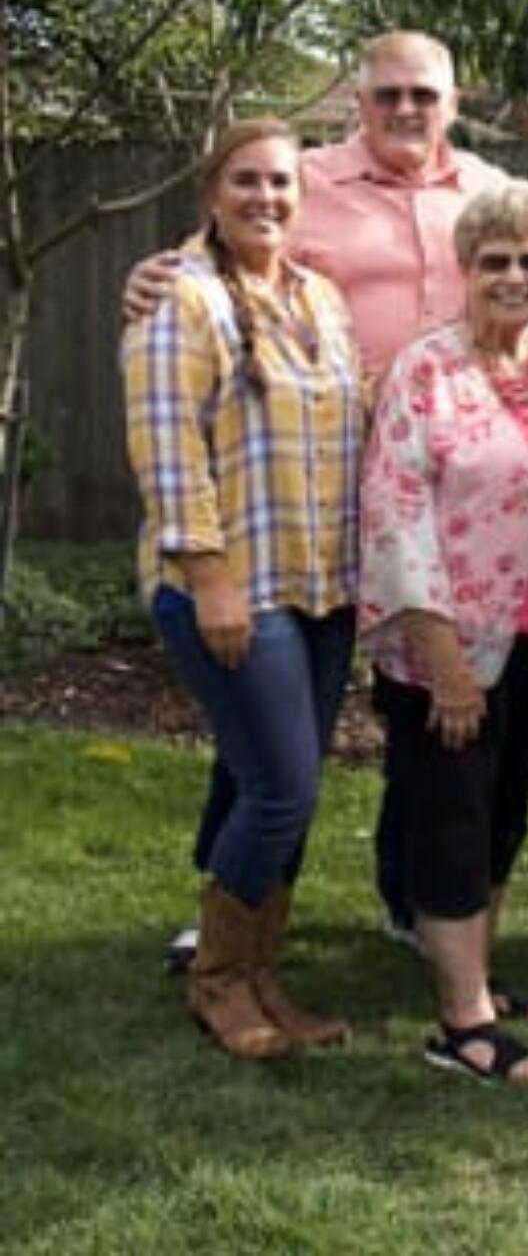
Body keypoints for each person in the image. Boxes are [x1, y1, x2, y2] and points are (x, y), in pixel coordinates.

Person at [123, 31, 504, 951]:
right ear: (357, 104)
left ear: (453, 102)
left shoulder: (488, 192)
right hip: (286, 492)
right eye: (388, 95)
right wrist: (154, 276)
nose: (406, 110)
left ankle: (407, 897)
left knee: (389, 708)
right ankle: (228, 921)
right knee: (270, 729)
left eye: (424, 94)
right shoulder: (301, 177)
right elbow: (209, 261)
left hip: (428, 491)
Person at [123, 119, 364, 1058]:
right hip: (231, 583)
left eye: (281, 183)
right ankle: (218, 978)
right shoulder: (178, 298)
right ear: (212, 192)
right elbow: (166, 445)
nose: (266, 198)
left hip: (318, 584)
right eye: (246, 181)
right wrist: (210, 576)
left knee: (263, 780)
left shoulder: (319, 297)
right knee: (282, 789)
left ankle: (263, 974)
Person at [359, 179, 528, 1083]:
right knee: (452, 819)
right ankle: (458, 1020)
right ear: (464, 270)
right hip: (447, 648)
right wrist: (444, 665)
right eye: (495, 260)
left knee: (502, 814)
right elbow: (395, 519)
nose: (514, 275)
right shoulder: (423, 371)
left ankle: (478, 972)